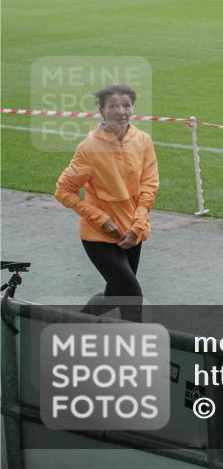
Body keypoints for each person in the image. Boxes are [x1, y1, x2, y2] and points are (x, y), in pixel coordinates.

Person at [55, 84, 159, 323]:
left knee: (113, 297)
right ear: (101, 111)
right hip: (98, 237)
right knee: (131, 295)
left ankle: (77, 322)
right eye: (113, 106)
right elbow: (63, 190)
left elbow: (149, 186)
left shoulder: (143, 141)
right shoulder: (89, 148)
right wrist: (100, 218)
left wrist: (137, 227)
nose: (121, 111)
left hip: (132, 233)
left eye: (126, 105)